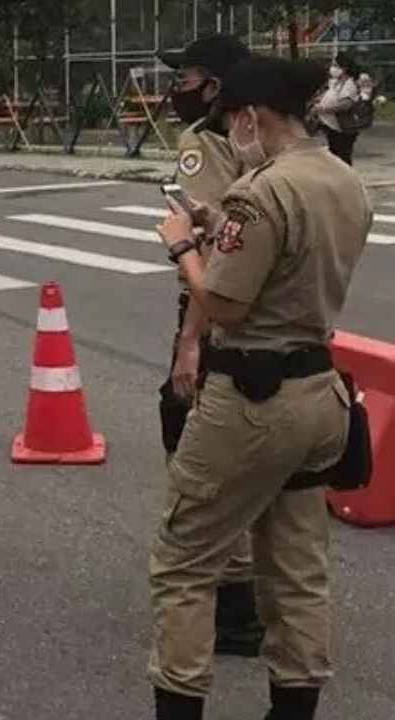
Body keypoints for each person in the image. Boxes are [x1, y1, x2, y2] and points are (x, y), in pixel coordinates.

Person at [150, 55, 370, 720]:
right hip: (318, 390)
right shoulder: (341, 177)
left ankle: (180, 706)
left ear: (250, 117)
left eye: (234, 120)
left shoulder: (261, 192)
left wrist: (184, 244)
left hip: (252, 398)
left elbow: (223, 304)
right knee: (298, 568)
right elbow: (292, 256)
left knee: (184, 560)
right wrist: (225, 225)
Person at [156, 33, 264, 659]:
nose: (175, 88)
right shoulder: (267, 144)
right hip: (260, 318)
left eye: (186, 77)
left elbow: (219, 257)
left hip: (214, 309)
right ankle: (248, 599)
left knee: (201, 455)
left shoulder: (205, 145)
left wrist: (188, 342)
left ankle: (231, 606)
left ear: (215, 87)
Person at [313, 52, 361, 165]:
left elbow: (346, 105)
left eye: (336, 65)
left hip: (343, 129)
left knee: (342, 158)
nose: (332, 68)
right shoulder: (334, 83)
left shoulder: (349, 84)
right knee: (333, 158)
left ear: (344, 68)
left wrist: (323, 109)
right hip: (330, 127)